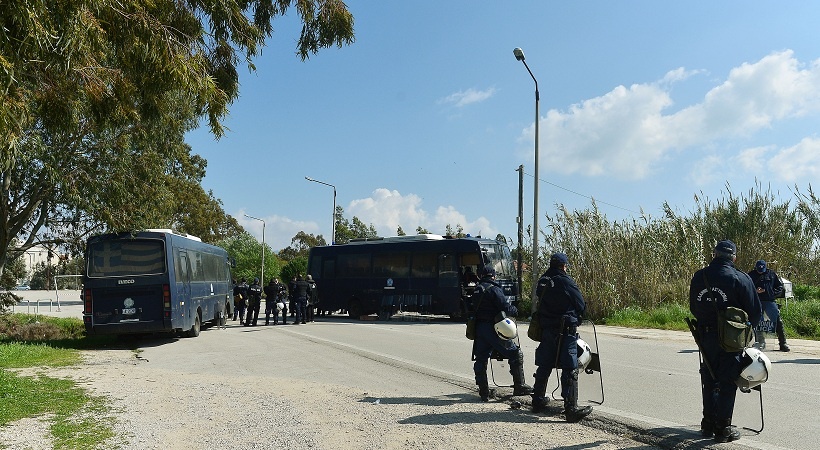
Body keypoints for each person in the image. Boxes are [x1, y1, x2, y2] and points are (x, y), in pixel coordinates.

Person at [689, 240, 762, 443]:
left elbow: (693, 307)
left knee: (709, 378)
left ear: (714, 255)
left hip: (705, 336)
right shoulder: (741, 278)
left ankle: (707, 424)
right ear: (733, 258)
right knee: (728, 381)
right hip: (731, 339)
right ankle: (723, 428)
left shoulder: (700, 276)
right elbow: (756, 313)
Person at [531, 252, 593, 422]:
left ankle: (537, 401)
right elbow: (580, 303)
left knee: (544, 365)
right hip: (565, 330)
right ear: (563, 266)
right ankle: (571, 409)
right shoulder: (565, 281)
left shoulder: (543, 280)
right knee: (570, 368)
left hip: (547, 330)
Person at [468, 264, 532, 401]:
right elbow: (505, 307)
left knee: (481, 359)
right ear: (493, 276)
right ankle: (519, 386)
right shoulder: (494, 290)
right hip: (494, 328)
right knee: (515, 353)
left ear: (481, 276)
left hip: (480, 329)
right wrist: (515, 310)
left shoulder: (477, 290)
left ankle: (483, 391)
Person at [748, 260, 790, 352]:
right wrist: (755, 290)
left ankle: (783, 343)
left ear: (765, 267)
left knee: (778, 321)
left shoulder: (771, 274)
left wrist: (769, 293)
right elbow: (746, 288)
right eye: (759, 269)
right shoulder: (751, 275)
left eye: (762, 269)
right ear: (756, 267)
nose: (760, 271)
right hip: (756, 302)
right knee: (757, 322)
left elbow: (779, 288)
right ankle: (760, 342)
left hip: (770, 301)